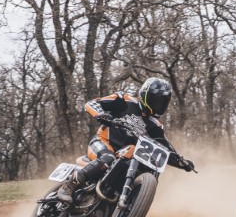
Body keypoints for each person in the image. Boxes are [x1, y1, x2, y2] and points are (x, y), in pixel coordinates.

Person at [55, 77, 195, 204]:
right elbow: (92, 103)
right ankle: (68, 187)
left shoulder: (155, 125)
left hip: (125, 154)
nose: (159, 105)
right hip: (103, 143)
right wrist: (101, 115)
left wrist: (180, 162)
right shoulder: (124, 100)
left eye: (163, 102)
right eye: (156, 101)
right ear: (146, 95)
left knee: (145, 169)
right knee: (107, 158)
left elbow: (164, 147)